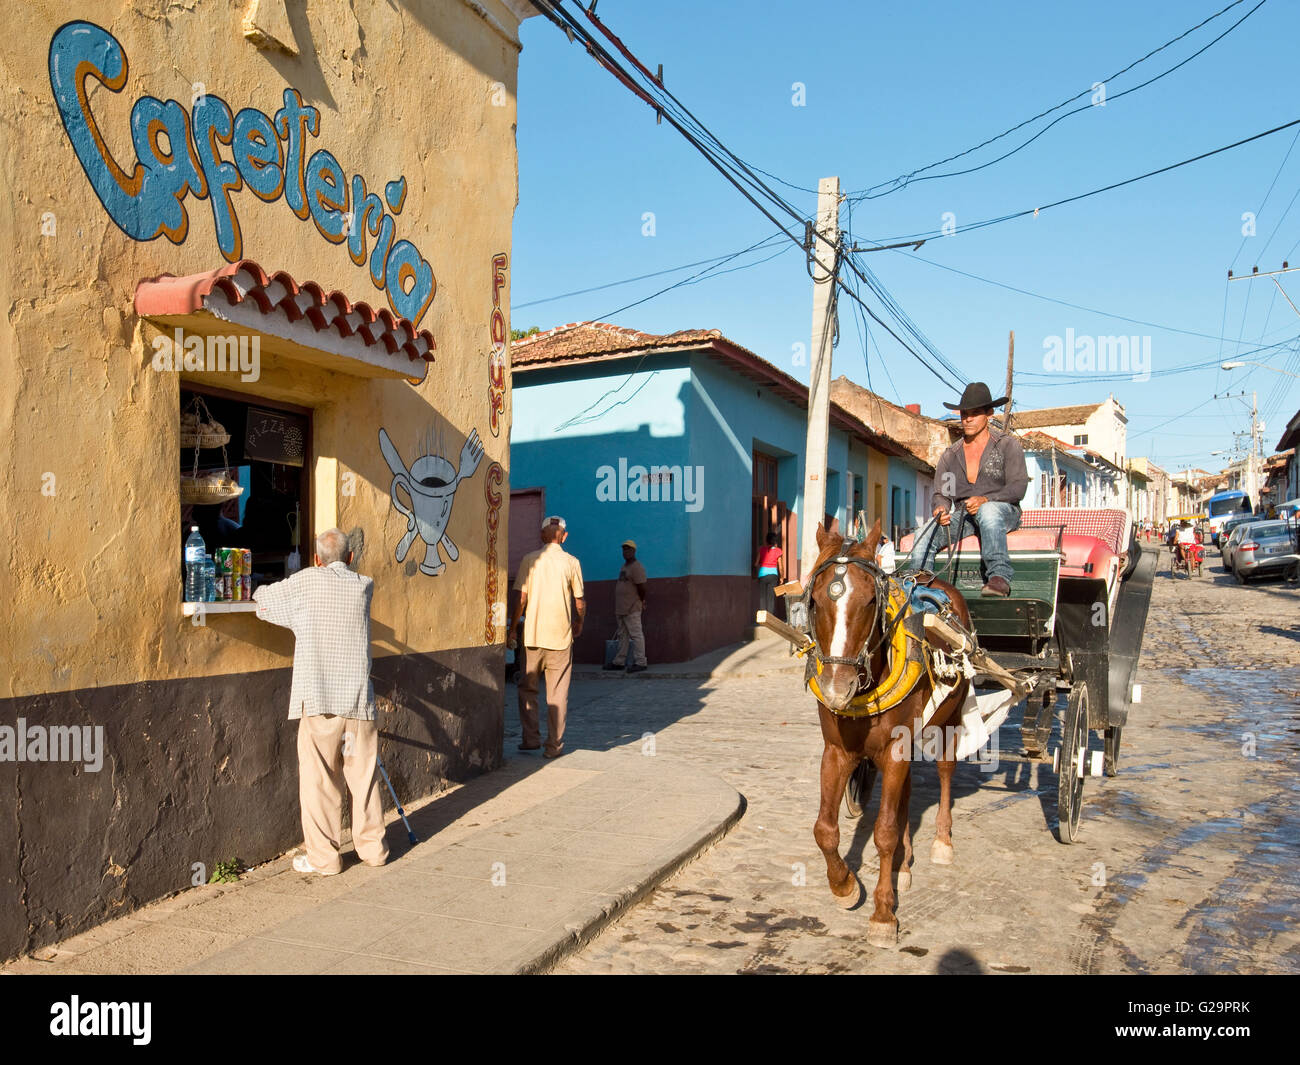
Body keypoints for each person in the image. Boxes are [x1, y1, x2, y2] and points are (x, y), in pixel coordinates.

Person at [252, 528, 388, 876]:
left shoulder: (306, 582)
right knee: (364, 777)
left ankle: (325, 860)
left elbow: (263, 601)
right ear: (351, 558)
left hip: (319, 701)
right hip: (357, 703)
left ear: (316, 559)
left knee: (320, 781)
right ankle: (373, 851)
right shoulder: (364, 585)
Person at [912, 382, 1029, 596]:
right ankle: (920, 589)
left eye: (974, 414)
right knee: (924, 532)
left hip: (1003, 512)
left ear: (989, 414)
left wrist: (986, 499)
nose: (967, 419)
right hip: (964, 516)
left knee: (989, 511)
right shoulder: (951, 454)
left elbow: (1018, 487)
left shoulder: (1007, 445)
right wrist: (940, 508)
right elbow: (943, 493)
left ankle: (999, 577)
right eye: (964, 413)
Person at [507, 515, 585, 759]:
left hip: (532, 637)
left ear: (541, 535)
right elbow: (579, 602)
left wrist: (512, 629)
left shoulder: (530, 560)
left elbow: (520, 598)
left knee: (527, 689)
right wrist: (578, 622)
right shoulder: (572, 562)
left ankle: (531, 739)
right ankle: (553, 746)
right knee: (558, 694)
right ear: (564, 536)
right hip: (560, 638)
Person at [607, 539, 648, 674]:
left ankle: (641, 662)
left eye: (629, 549)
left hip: (631, 608)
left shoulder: (637, 567)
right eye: (624, 549)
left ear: (634, 551)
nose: (626, 552)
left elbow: (642, 587)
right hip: (621, 608)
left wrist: (641, 601)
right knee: (622, 636)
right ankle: (619, 662)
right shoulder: (624, 567)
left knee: (636, 635)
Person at [755, 531, 783, 615]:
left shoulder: (761, 550)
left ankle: (762, 618)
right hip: (773, 575)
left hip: (762, 575)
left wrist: (758, 574)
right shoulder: (778, 551)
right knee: (770, 597)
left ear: (766, 540)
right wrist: (781, 577)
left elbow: (756, 563)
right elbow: (781, 566)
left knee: (762, 596)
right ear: (775, 541)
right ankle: (769, 618)